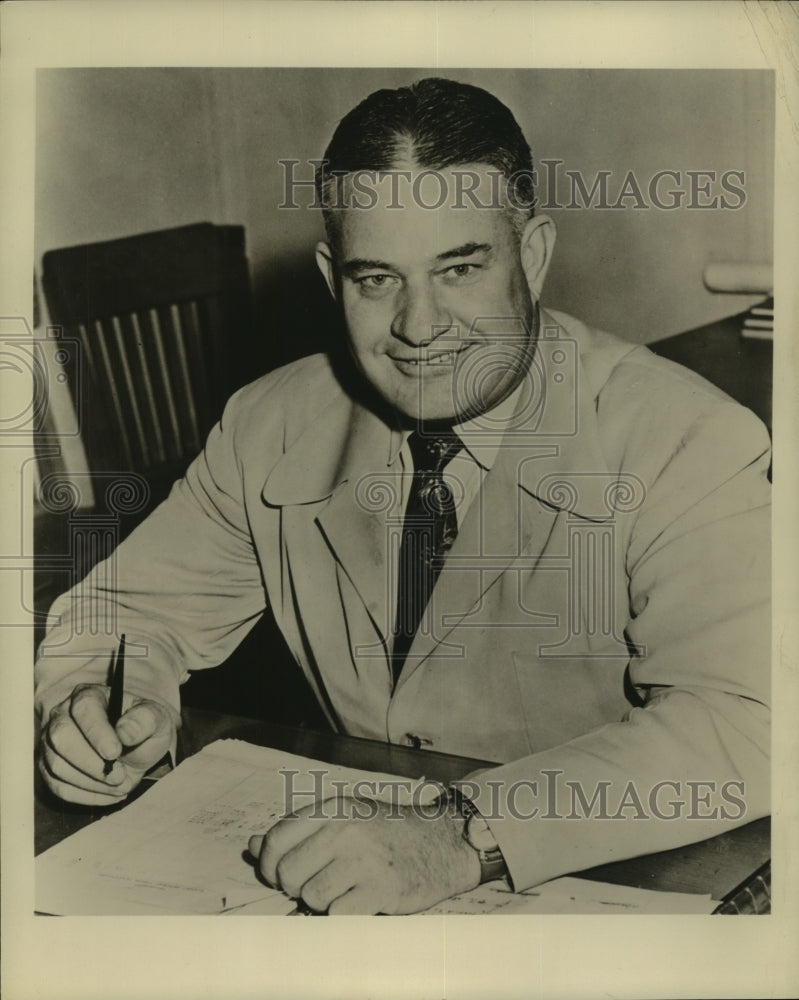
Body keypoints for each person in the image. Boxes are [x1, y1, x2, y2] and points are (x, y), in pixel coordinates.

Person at [35, 78, 771, 915]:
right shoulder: (268, 424)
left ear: (530, 256)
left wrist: (463, 834)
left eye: (459, 268)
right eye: (375, 278)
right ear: (331, 277)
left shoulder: (687, 437)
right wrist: (97, 707)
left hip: (610, 884)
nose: (418, 327)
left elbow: (749, 722)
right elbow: (129, 615)